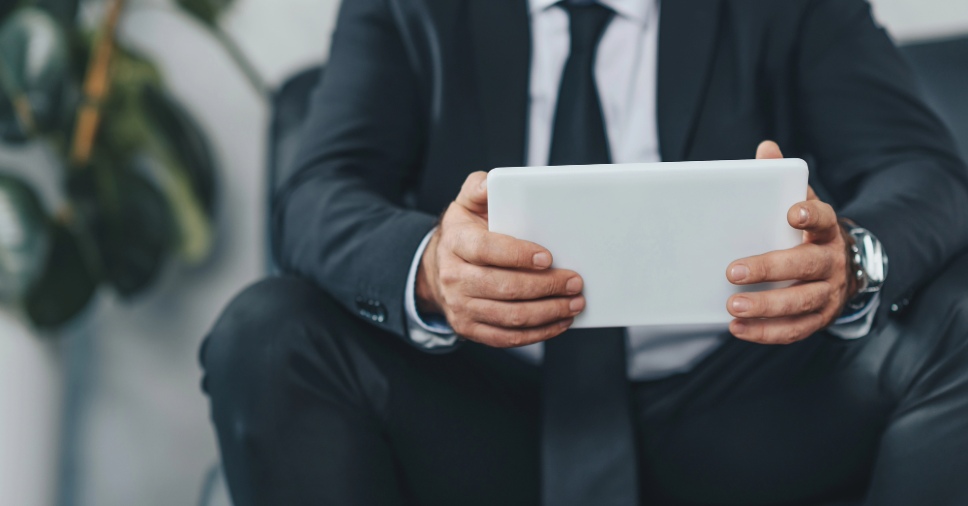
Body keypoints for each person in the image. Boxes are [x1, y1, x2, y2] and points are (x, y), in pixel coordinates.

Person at [200, 0, 968, 504]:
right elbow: (316, 191)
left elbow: (924, 169)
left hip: (745, 397)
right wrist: (432, 267)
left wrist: (853, 260)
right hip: (483, 410)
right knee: (267, 333)